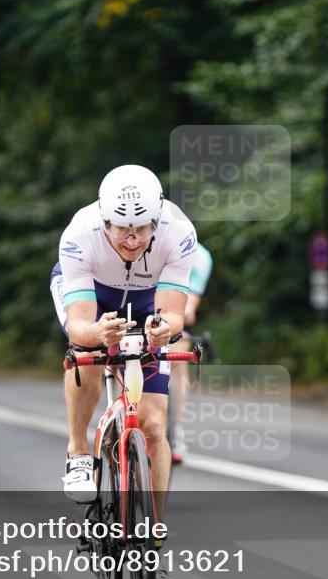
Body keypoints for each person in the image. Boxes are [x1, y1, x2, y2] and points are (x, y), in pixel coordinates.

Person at [50, 164, 196, 509]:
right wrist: (99, 332)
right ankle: (79, 452)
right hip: (94, 297)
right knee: (86, 347)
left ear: (157, 221)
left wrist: (164, 332)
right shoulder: (79, 234)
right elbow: (79, 324)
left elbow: (173, 313)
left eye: (142, 230)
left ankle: (153, 529)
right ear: (105, 223)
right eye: (121, 230)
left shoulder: (179, 232)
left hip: (149, 301)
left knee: (155, 426)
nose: (132, 240)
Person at [167, 242, 213, 464]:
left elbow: (189, 309)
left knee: (177, 361)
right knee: (127, 358)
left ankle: (177, 428)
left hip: (177, 314)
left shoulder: (200, 257)